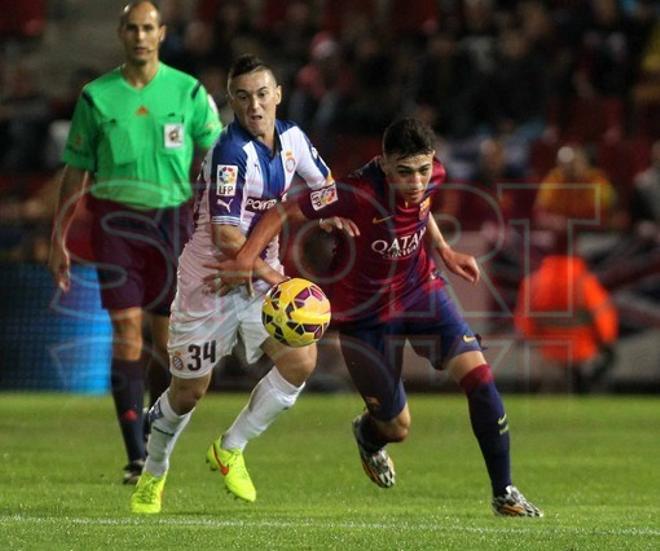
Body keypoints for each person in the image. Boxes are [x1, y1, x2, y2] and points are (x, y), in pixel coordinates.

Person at [212, 117, 543, 517]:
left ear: (432, 161)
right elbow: (283, 211)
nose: (416, 181)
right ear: (384, 163)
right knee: (396, 427)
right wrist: (246, 258)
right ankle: (369, 437)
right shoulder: (353, 192)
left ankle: (504, 492)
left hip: (421, 292)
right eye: (404, 172)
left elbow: (423, 208)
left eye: (422, 170)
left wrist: (444, 250)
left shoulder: (432, 174)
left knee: (480, 378)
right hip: (362, 317)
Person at [129, 54, 338, 514]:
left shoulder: (294, 139)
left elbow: (324, 186)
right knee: (189, 391)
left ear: (278, 94)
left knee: (301, 359)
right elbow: (226, 238)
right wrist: (276, 277)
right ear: (232, 102)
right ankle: (154, 472)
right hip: (212, 280)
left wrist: (332, 215)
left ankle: (231, 447)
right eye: (243, 97)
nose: (255, 106)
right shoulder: (229, 153)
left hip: (259, 277)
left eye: (263, 94)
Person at [47, 1, 222, 484]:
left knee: (169, 344)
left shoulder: (187, 92)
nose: (141, 36)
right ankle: (136, 455)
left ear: (162, 34)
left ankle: (156, 431)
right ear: (121, 33)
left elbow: (219, 154)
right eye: (133, 28)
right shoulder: (96, 97)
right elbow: (75, 171)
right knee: (127, 332)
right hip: (114, 224)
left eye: (149, 28)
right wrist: (57, 237)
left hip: (172, 224)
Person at [514, 253, 619, 393]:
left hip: (547, 353)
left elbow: (525, 325)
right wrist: (605, 343)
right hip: (583, 350)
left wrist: (537, 342)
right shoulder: (586, 282)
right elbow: (603, 320)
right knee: (592, 385)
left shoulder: (533, 282)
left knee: (550, 393)